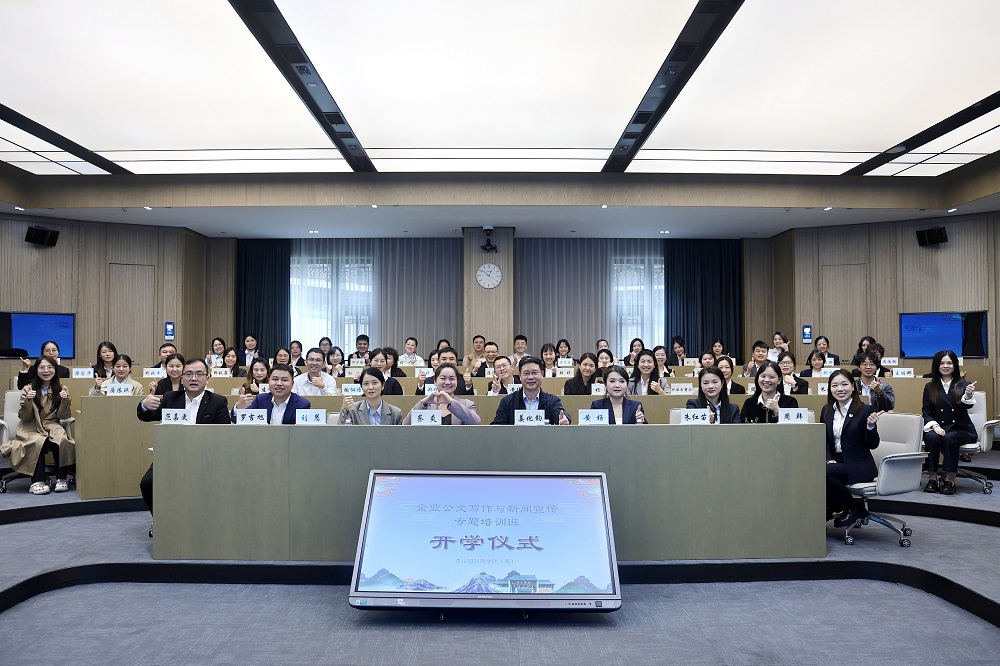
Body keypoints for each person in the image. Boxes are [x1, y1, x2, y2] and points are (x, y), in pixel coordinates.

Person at [136, 358, 231, 515]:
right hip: (172, 456)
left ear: (207, 378)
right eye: (188, 374)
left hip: (205, 458)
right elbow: (145, 416)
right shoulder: (170, 398)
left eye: (199, 374)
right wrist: (144, 405)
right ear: (182, 378)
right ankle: (161, 519)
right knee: (148, 483)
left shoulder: (218, 401)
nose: (193, 378)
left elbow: (224, 433)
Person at [1, 357, 75, 494]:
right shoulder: (27, 388)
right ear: (36, 370)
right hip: (31, 425)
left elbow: (63, 416)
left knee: (62, 440)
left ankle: (61, 478)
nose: (46, 371)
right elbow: (25, 417)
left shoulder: (62, 388)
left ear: (55, 370)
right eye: (42, 368)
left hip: (52, 424)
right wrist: (28, 401)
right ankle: (37, 481)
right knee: (36, 441)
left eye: (50, 367)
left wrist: (65, 400)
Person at [822, 369, 883, 527]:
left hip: (859, 465)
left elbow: (873, 444)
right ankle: (836, 507)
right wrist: (828, 459)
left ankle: (852, 507)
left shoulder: (865, 410)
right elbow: (825, 441)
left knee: (822, 472)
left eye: (844, 384)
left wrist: (870, 426)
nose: (839, 389)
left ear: (853, 386)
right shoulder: (827, 410)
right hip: (836, 463)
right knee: (817, 470)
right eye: (834, 385)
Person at [921, 349, 977, 495]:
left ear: (955, 365)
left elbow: (967, 406)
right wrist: (935, 426)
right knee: (931, 437)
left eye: (949, 363)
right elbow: (926, 411)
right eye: (942, 363)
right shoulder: (929, 387)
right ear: (936, 365)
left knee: (950, 438)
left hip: (961, 429)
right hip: (939, 427)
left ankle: (950, 480)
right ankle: (932, 479)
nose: (946, 366)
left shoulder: (964, 384)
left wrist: (968, 395)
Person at [491, 357, 571, 425]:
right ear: (520, 375)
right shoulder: (507, 401)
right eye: (526, 373)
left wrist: (564, 419)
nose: (530, 377)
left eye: (535, 373)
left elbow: (561, 413)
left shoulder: (552, 401)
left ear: (542, 374)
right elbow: (497, 426)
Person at [403, 363, 481, 425]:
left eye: (452, 379)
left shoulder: (467, 404)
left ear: (457, 382)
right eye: (443, 378)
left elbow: (476, 422)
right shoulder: (426, 405)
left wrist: (451, 402)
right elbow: (405, 425)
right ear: (435, 381)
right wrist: (423, 403)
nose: (447, 382)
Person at [232, 364, 311, 424]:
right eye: (275, 379)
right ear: (269, 381)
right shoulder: (260, 400)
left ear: (292, 384)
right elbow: (237, 420)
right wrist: (239, 408)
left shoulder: (302, 405)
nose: (279, 383)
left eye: (284, 380)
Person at [339, 368, 404, 425]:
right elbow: (341, 432)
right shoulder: (353, 410)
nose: (370, 387)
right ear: (361, 387)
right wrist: (344, 410)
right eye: (366, 384)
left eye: (375, 383)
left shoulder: (395, 413)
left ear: (382, 385)